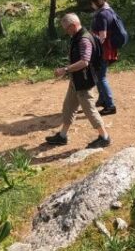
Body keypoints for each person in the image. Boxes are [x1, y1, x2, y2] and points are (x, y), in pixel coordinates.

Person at [45, 13, 111, 149]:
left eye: (66, 29)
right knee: (68, 107)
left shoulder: (84, 40)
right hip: (77, 80)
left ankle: (104, 137)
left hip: (84, 82)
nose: (65, 31)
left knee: (90, 110)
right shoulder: (79, 36)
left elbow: (85, 62)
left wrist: (65, 69)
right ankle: (62, 136)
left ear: (73, 26)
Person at [89, 0, 119, 115]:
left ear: (96, 2)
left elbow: (102, 36)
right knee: (98, 75)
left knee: (101, 77)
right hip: (109, 48)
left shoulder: (102, 15)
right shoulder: (110, 11)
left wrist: (92, 45)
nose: (91, 6)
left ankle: (110, 106)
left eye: (92, 3)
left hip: (103, 50)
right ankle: (102, 100)